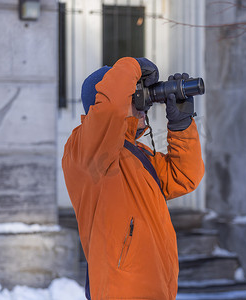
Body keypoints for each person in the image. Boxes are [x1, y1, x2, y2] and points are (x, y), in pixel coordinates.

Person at [62, 57, 204, 299]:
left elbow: (183, 177)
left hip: (158, 288)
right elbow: (109, 110)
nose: (142, 104)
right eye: (134, 95)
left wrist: (180, 125)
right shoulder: (84, 151)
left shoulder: (136, 154)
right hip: (122, 290)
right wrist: (132, 65)